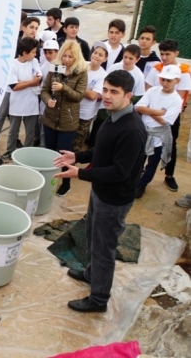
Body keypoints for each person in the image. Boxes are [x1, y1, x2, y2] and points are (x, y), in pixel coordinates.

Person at [53, 70, 146, 313]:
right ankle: (91, 274)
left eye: (114, 92)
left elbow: (120, 172)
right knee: (93, 237)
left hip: (114, 200)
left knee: (104, 248)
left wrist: (80, 174)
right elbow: (101, 149)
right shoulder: (112, 116)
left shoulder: (132, 130)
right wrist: (77, 156)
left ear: (128, 96)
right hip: (100, 192)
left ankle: (98, 299)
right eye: (105, 90)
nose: (106, 96)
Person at [143, 39, 191, 193]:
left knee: (170, 144)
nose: (164, 57)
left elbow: (180, 98)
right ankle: (141, 172)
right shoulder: (156, 69)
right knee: (145, 141)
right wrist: (154, 111)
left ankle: (169, 175)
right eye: (162, 54)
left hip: (171, 116)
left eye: (167, 54)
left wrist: (157, 112)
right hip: (152, 113)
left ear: (176, 53)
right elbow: (148, 90)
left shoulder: (183, 72)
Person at [40, 40, 87, 197]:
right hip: (50, 119)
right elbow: (44, 90)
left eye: (70, 57)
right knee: (49, 153)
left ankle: (66, 183)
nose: (66, 59)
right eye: (64, 56)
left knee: (64, 156)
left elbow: (79, 96)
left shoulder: (81, 72)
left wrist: (63, 88)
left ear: (76, 58)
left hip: (68, 122)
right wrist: (48, 100)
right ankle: (48, 179)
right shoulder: (54, 69)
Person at [135, 65, 183, 198]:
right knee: (137, 159)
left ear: (177, 81)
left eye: (169, 80)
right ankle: (133, 180)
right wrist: (158, 111)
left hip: (159, 136)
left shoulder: (177, 100)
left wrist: (148, 110)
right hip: (143, 132)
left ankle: (142, 185)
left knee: (152, 163)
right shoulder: (153, 91)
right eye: (163, 79)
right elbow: (138, 107)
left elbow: (165, 122)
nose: (165, 83)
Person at [4, 37, 42, 159]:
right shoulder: (13, 64)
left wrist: (21, 82)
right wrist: (31, 82)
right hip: (17, 102)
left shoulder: (34, 62)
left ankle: (26, 153)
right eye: (33, 52)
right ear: (25, 53)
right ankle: (10, 150)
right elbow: (14, 86)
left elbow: (38, 80)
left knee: (30, 131)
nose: (35, 54)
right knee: (13, 130)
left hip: (31, 103)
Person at [73, 41, 107, 153]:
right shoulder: (81, 65)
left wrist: (78, 86)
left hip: (85, 114)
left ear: (105, 59)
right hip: (71, 109)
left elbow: (93, 96)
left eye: (100, 55)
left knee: (77, 144)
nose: (96, 56)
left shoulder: (103, 75)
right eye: (95, 52)